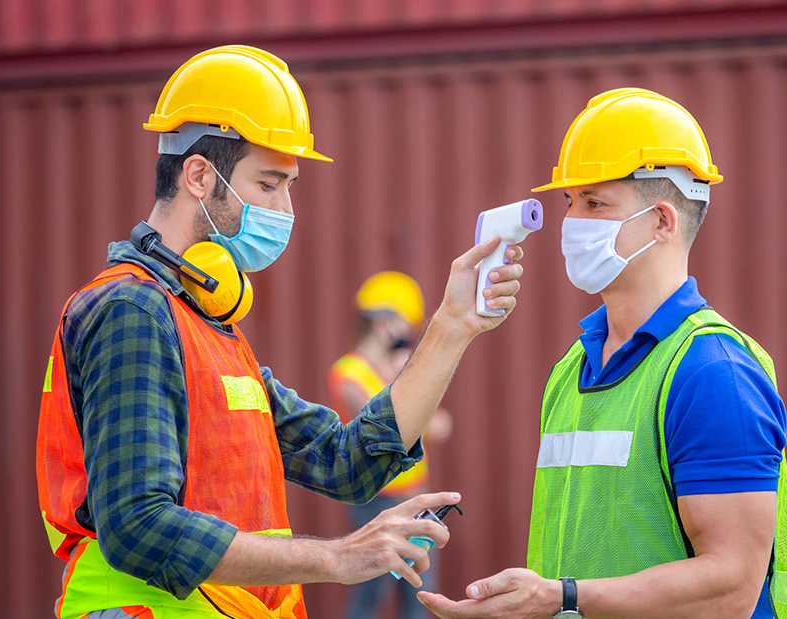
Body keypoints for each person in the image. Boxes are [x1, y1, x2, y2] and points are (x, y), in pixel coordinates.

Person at [35, 45, 525, 619]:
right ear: (199, 175)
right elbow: (138, 527)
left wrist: (452, 325)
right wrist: (336, 557)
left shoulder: (209, 327)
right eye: (269, 185)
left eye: (289, 185)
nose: (286, 208)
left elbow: (346, 462)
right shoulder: (133, 311)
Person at [418, 88, 787, 619]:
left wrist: (563, 599)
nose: (572, 221)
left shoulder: (713, 373)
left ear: (663, 222)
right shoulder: (572, 368)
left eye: (595, 203)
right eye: (570, 202)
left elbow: (731, 587)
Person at [328, 271, 454, 619]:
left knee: (419, 594)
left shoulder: (398, 369)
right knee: (371, 594)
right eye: (403, 323)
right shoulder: (349, 371)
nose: (407, 334)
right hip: (376, 500)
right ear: (384, 321)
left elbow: (442, 426)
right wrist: (403, 377)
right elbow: (388, 425)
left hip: (414, 496)